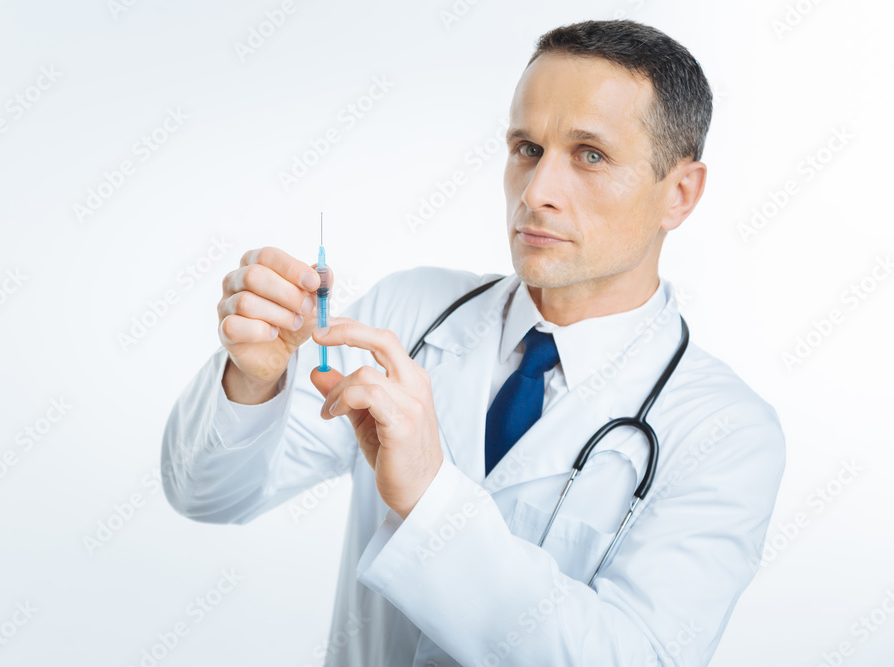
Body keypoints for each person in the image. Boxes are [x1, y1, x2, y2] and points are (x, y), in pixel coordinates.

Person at [161, 18, 785, 667]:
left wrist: (430, 500)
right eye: (527, 148)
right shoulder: (407, 313)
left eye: (590, 155)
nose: (537, 193)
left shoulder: (727, 433)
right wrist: (253, 380)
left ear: (679, 193)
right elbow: (205, 493)